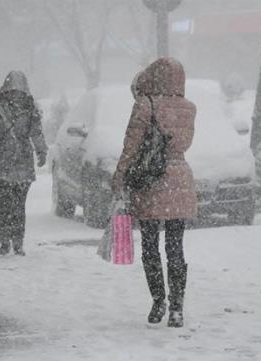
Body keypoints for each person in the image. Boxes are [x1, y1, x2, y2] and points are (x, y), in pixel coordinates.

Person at [112, 58, 197, 328]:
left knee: (150, 245)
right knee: (176, 247)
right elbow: (181, 143)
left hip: (150, 179)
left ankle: (158, 300)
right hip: (180, 178)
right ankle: (177, 308)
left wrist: (120, 176)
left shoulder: (145, 105)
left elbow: (131, 146)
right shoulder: (189, 108)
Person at [0, 71, 48, 256]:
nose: (15, 93)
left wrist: (42, 151)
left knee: (18, 206)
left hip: (22, 162)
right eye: (12, 89)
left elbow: (36, 133)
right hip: (0, 163)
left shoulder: (30, 108)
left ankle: (17, 241)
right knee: (4, 205)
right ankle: (5, 241)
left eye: (18, 89)